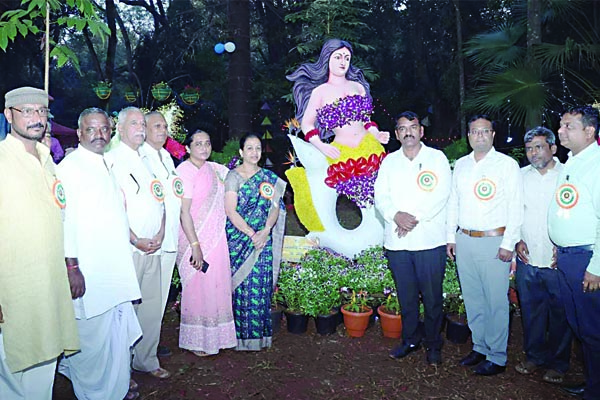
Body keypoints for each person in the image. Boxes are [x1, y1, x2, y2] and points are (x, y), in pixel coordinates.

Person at [56, 108, 143, 400]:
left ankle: (116, 388)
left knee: (115, 333)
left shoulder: (106, 163)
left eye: (104, 129)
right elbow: (64, 219)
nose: (99, 135)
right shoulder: (70, 167)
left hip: (113, 267)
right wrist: (71, 266)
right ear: (80, 133)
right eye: (91, 130)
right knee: (92, 339)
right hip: (88, 269)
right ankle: (95, 392)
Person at [0, 86, 79, 399]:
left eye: (41, 111)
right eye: (27, 111)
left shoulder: (48, 160)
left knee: (45, 361)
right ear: (9, 115)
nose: (36, 118)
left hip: (48, 283)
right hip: (14, 287)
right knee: (16, 368)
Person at [446, 115, 523, 376]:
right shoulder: (462, 166)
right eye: (474, 132)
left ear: (492, 135)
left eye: (484, 131)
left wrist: (508, 243)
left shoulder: (506, 165)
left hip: (494, 241)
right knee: (473, 298)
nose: (479, 136)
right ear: (468, 136)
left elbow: (515, 206)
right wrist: (451, 237)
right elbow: (453, 202)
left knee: (496, 301)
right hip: (465, 240)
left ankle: (497, 356)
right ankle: (479, 346)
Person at [374, 111, 451, 365]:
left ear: (421, 131)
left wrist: (412, 218)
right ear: (397, 134)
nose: (408, 132)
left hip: (429, 240)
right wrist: (395, 215)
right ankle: (409, 340)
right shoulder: (389, 162)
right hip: (398, 242)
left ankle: (433, 344)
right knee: (406, 297)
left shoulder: (436, 158)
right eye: (403, 128)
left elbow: (441, 194)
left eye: (413, 127)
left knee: (432, 297)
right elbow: (380, 196)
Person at [105, 107, 170, 379]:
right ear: (119, 129)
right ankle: (120, 370)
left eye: (143, 123)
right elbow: (112, 208)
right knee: (124, 313)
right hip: (129, 249)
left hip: (153, 246)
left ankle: (145, 359)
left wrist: (161, 233)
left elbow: (161, 200)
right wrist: (135, 239)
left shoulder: (149, 158)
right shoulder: (110, 160)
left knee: (151, 308)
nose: (140, 128)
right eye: (133, 123)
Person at [548, 106, 600, 399]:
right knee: (580, 326)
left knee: (593, 329)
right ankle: (592, 382)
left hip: (588, 260)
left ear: (589, 131)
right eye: (561, 124)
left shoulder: (597, 165)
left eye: (568, 126)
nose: (561, 130)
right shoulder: (571, 163)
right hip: (569, 257)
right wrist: (559, 245)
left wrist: (597, 267)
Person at [513, 126, 572, 385]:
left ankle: (559, 364)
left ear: (553, 148)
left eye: (538, 147)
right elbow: (513, 212)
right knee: (531, 311)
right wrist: (516, 240)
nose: (533, 153)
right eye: (528, 148)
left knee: (561, 315)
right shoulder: (520, 176)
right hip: (528, 259)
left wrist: (567, 246)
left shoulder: (568, 175)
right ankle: (534, 356)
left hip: (556, 261)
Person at [175, 129, 237, 356]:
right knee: (198, 288)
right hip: (195, 239)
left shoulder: (216, 170)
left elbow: (237, 179)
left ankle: (218, 337)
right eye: (198, 143)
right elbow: (184, 212)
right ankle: (197, 341)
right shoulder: (183, 172)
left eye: (207, 143)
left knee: (217, 284)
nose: (203, 147)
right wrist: (195, 245)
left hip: (216, 238)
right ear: (188, 148)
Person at [224, 133, 287, 351]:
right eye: (249, 148)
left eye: (258, 148)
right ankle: (237, 339)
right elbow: (230, 211)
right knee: (241, 288)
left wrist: (266, 230)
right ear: (241, 152)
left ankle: (259, 339)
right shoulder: (233, 177)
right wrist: (252, 234)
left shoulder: (268, 177)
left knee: (260, 288)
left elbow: (275, 207)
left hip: (263, 240)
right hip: (240, 240)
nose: (254, 153)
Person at [139, 111, 182, 358]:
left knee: (159, 299)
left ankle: (149, 346)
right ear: (144, 129)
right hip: (152, 241)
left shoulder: (166, 156)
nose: (163, 130)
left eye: (165, 126)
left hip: (171, 240)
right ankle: (139, 351)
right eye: (157, 126)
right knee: (146, 300)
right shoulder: (140, 156)